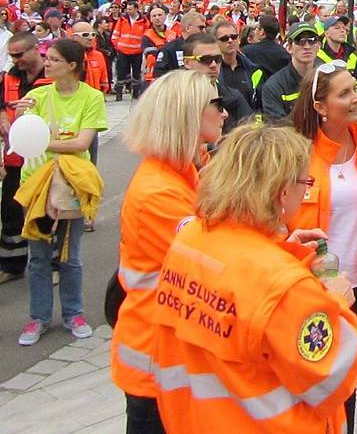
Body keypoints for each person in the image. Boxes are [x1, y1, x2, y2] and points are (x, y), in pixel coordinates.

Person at [151, 124, 357, 433]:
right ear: (282, 192)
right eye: (304, 183)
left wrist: (283, 249)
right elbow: (336, 374)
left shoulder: (190, 240)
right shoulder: (285, 286)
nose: (306, 191)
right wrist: (336, 302)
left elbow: (242, 309)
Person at [288, 61, 357, 433]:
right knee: (304, 388)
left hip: (356, 296)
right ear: (320, 106)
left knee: (346, 386)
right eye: (344, 93)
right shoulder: (294, 154)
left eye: (355, 89)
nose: (356, 98)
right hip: (305, 295)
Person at [111, 70, 226, 434]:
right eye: (216, 105)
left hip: (169, 354)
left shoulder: (182, 173)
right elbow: (217, 262)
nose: (224, 113)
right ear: (188, 114)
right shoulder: (159, 191)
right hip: (156, 358)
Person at [15, 38, 108, 346]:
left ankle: (74, 314)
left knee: (71, 255)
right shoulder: (37, 95)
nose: (47, 62)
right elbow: (21, 137)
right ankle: (38, 318)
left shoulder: (91, 98)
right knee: (38, 257)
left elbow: (82, 143)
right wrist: (21, 117)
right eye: (47, 57)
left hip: (71, 185)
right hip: (36, 183)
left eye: (54, 59)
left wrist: (43, 142)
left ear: (72, 65)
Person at [0, 33, 49, 283]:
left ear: (35, 50)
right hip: (15, 158)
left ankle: (50, 265)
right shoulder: (9, 76)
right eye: (12, 55)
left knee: (45, 211)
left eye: (19, 55)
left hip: (45, 158)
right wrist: (3, 117)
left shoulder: (51, 76)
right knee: (10, 211)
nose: (15, 60)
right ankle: (12, 264)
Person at [183, 32, 253, 132]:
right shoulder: (173, 98)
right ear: (187, 63)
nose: (213, 65)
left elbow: (251, 132)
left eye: (218, 59)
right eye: (205, 59)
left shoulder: (233, 96)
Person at [261, 23, 320, 120]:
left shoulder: (327, 78)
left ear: (318, 46)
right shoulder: (274, 86)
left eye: (312, 41)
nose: (307, 46)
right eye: (299, 41)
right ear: (288, 47)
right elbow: (277, 127)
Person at [212, 20, 259, 108]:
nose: (230, 40)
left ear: (239, 40)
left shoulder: (253, 69)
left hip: (248, 119)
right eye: (224, 38)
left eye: (234, 37)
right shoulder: (212, 71)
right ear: (215, 43)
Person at [111, 0, 148, 101]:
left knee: (136, 73)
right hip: (123, 51)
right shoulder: (122, 19)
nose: (128, 11)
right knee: (121, 73)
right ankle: (119, 94)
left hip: (137, 51)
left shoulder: (144, 21)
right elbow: (116, 33)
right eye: (127, 9)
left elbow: (146, 35)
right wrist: (117, 45)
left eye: (130, 9)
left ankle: (136, 93)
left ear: (136, 9)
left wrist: (142, 47)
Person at [153, 11, 207, 77]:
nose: (204, 31)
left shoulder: (205, 48)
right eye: (201, 28)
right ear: (188, 28)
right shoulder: (169, 49)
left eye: (205, 28)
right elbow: (159, 75)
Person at [71, 22, 110, 93]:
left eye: (93, 35)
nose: (90, 38)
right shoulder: (67, 55)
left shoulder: (98, 56)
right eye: (85, 35)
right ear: (73, 37)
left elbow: (104, 83)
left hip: (93, 100)